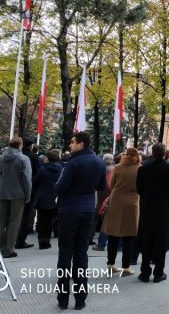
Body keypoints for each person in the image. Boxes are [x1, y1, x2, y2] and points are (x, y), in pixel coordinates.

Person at [54, 131, 106, 311]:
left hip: (69, 211)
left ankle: (62, 299)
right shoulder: (99, 162)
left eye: (73, 142)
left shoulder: (73, 162)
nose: (70, 145)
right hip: (87, 211)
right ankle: (80, 299)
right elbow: (100, 186)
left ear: (81, 144)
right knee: (81, 254)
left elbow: (60, 188)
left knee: (65, 254)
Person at [135, 142, 169, 283]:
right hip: (164, 210)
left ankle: (145, 272)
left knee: (146, 238)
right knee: (161, 239)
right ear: (164, 153)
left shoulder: (143, 169)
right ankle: (159, 272)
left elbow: (139, 189)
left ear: (152, 153)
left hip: (147, 208)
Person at [101, 146, 141, 277]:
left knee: (113, 234)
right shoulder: (140, 169)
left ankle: (111, 264)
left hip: (116, 201)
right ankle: (126, 267)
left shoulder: (117, 167)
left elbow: (111, 185)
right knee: (129, 236)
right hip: (132, 203)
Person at [0, 137, 32, 258]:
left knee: (0, 222)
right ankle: (8, 249)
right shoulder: (23, 159)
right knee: (14, 222)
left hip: (2, 193)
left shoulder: (0, 158)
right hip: (18, 194)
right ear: (20, 145)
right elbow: (26, 179)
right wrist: (28, 195)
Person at [32, 149, 63, 249]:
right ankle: (47, 240)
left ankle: (42, 241)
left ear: (48, 158)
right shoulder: (61, 169)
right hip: (55, 197)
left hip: (43, 197)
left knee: (42, 220)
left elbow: (35, 182)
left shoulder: (43, 169)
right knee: (50, 221)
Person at [16, 138, 40, 249]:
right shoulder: (33, 157)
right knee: (25, 216)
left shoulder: (18, 156)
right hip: (29, 190)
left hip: (15, 189)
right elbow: (37, 174)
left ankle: (9, 239)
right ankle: (20, 240)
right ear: (31, 146)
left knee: (14, 216)